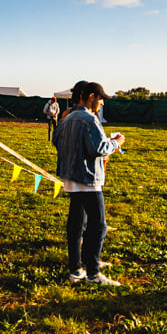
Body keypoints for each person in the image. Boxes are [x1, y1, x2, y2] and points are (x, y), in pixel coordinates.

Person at [54, 80, 126, 286]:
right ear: (91, 96)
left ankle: (77, 268)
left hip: (71, 177)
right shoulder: (89, 118)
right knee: (98, 226)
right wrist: (116, 142)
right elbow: (99, 147)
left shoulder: (67, 117)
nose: (102, 103)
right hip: (87, 179)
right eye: (101, 98)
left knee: (77, 224)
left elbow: (56, 140)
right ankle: (93, 274)